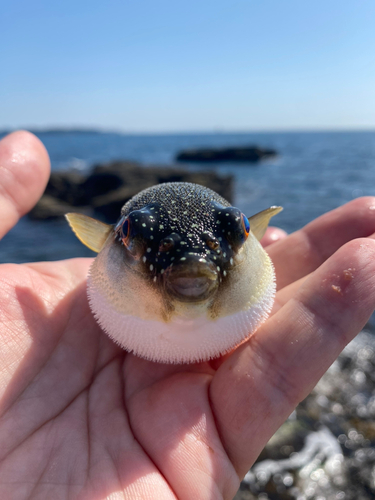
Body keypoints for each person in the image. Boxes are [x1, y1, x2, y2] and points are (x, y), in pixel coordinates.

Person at [0, 131, 375, 500]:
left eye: (238, 231)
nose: (194, 264)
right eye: (133, 235)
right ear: (112, 240)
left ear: (248, 234)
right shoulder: (112, 260)